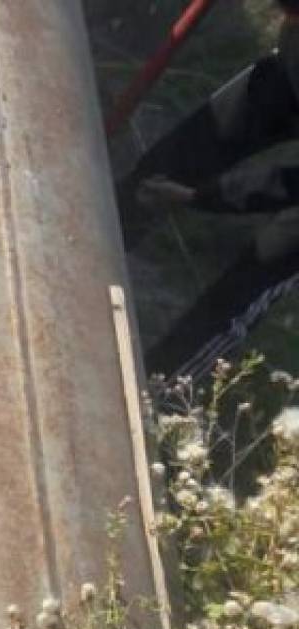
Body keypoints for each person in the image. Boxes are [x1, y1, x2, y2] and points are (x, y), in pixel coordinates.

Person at [117, 0, 299, 376]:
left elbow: (287, 184)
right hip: (291, 76)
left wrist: (203, 196)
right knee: (167, 167)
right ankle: (80, 256)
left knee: (259, 269)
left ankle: (160, 393)